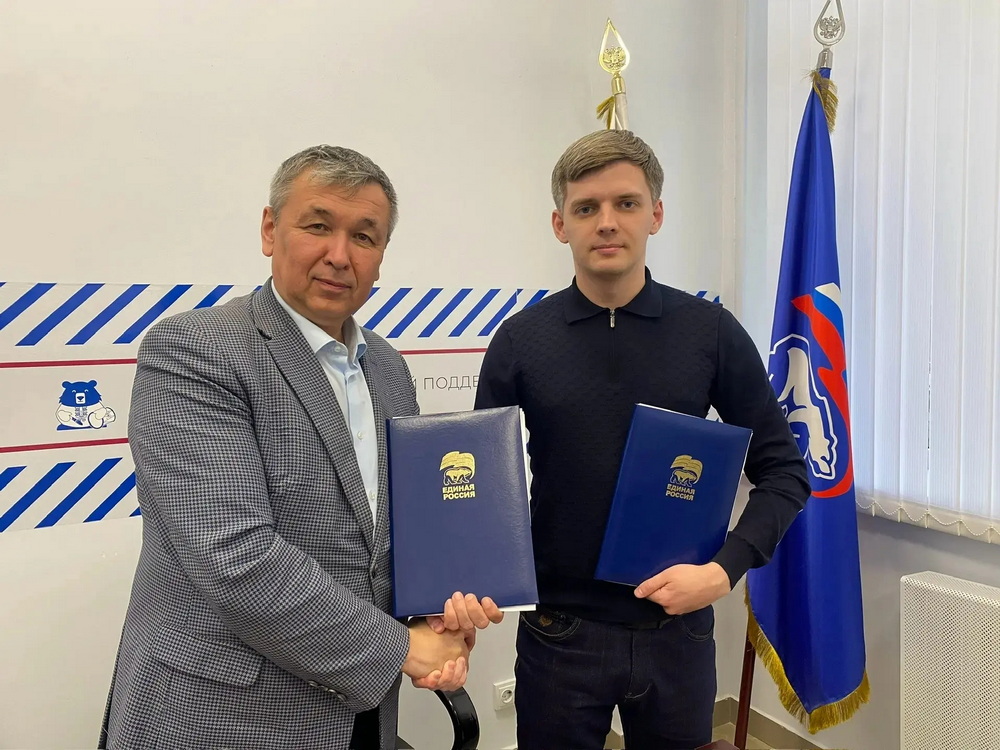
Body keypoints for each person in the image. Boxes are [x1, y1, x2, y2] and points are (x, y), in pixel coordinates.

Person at [100, 145, 501, 750]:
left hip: (362, 711)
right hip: (225, 716)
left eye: (364, 236)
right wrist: (404, 648)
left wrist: (434, 611)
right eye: (317, 226)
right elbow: (234, 556)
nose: (339, 255)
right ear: (270, 230)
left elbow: (393, 538)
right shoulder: (195, 350)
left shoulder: (389, 370)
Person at [474, 130, 811, 750]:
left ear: (655, 214)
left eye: (625, 203)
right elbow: (477, 489)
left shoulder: (710, 333)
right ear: (560, 224)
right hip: (558, 635)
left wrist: (724, 571)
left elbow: (785, 473)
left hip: (677, 633)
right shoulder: (520, 341)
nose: (607, 222)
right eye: (586, 207)